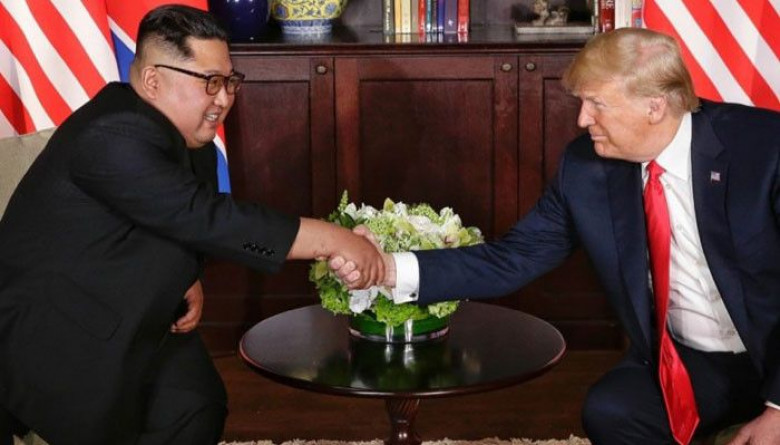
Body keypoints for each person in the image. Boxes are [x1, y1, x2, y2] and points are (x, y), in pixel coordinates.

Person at [334, 28, 780, 444]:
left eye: (597, 104)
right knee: (611, 410)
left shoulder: (764, 149)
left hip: (773, 351)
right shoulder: (586, 167)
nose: (583, 119)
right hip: (689, 361)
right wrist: (385, 268)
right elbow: (514, 257)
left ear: (654, 106)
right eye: (581, 102)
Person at [0, 5, 382, 445]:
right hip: (54, 335)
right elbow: (206, 217)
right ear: (152, 81)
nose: (224, 99)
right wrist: (333, 240)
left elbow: (176, 219)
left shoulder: (186, 134)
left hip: (135, 308)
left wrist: (186, 275)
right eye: (210, 82)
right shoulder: (112, 134)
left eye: (229, 81)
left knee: (196, 403)